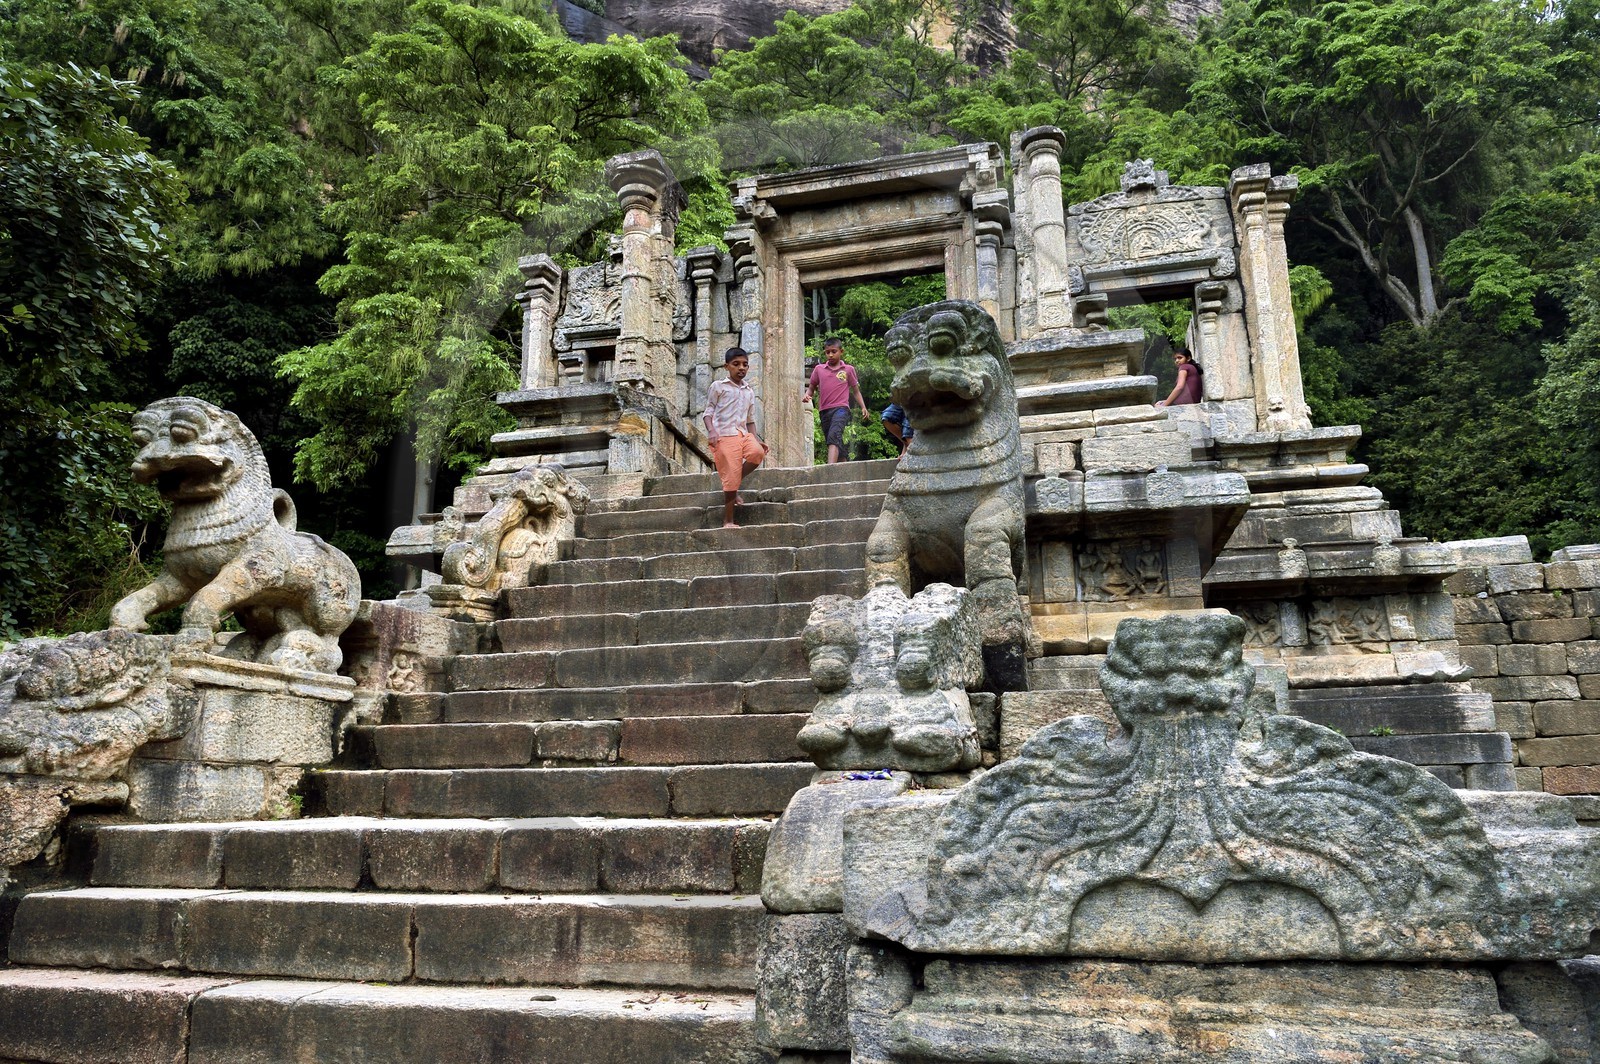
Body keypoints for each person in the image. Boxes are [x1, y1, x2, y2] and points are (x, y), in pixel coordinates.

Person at [704, 348, 768, 528]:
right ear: (727, 366)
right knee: (730, 478)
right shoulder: (718, 386)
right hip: (724, 435)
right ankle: (728, 520)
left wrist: (756, 439)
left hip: (742, 434)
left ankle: (734, 483)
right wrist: (711, 431)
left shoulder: (749, 391)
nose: (741, 368)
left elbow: (750, 420)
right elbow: (708, 413)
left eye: (745, 365)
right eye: (736, 364)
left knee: (757, 454)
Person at [802, 336, 871, 464]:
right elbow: (811, 388)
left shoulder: (848, 370)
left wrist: (863, 407)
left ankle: (830, 470)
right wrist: (807, 395)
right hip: (824, 411)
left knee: (833, 436)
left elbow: (855, 391)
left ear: (841, 351)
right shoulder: (819, 370)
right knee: (834, 438)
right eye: (828, 352)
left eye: (834, 351)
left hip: (841, 409)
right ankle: (844, 466)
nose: (831, 355)